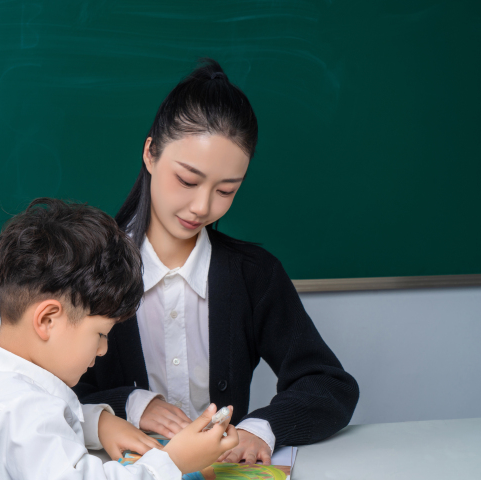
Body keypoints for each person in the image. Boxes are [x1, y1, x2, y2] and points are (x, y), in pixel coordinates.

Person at [74, 59, 360, 465]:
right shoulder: (85, 267)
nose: (202, 206)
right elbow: (40, 396)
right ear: (150, 153)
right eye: (188, 181)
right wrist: (128, 405)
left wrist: (259, 428)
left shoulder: (254, 275)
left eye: (226, 190)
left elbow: (331, 386)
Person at [0, 198, 239, 480]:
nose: (103, 349)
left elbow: (23, 436)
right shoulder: (25, 415)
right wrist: (174, 461)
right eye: (100, 334)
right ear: (47, 320)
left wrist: (98, 422)